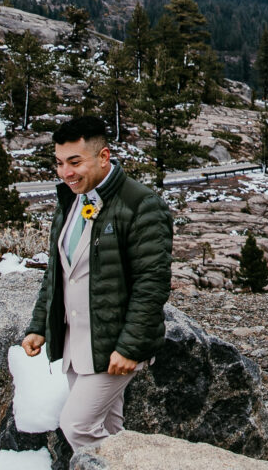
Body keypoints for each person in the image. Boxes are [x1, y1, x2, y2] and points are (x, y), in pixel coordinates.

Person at [22, 116, 174, 452]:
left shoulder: (141, 204)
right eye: (60, 163)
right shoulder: (72, 200)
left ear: (103, 157)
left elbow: (152, 283)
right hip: (78, 343)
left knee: (77, 426)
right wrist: (39, 326)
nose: (66, 173)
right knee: (108, 426)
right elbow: (57, 271)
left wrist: (130, 347)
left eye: (75, 162)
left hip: (113, 343)